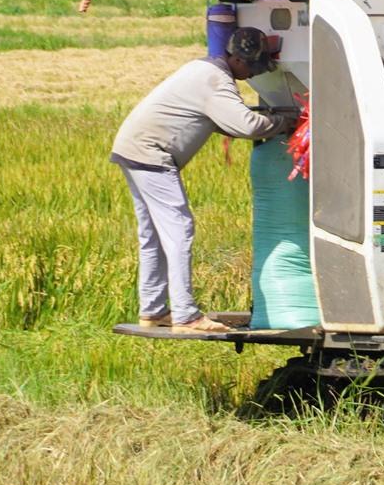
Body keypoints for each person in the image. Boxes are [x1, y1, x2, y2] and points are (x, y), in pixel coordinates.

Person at [111, 26, 295, 333]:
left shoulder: (202, 69)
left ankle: (153, 310)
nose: (251, 74)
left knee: (153, 235)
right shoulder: (215, 80)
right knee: (179, 230)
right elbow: (247, 125)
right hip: (151, 154)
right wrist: (283, 122)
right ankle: (185, 316)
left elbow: (220, 120)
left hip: (134, 149)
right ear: (238, 59)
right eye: (252, 67)